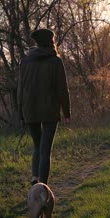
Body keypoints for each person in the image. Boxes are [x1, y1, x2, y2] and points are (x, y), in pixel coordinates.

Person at [17, 28, 71, 185]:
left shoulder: (25, 61)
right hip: (50, 111)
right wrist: (66, 112)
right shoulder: (55, 61)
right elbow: (62, 89)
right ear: (50, 42)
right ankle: (42, 187)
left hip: (29, 110)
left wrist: (21, 113)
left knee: (37, 147)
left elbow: (20, 89)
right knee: (45, 150)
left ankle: (35, 178)